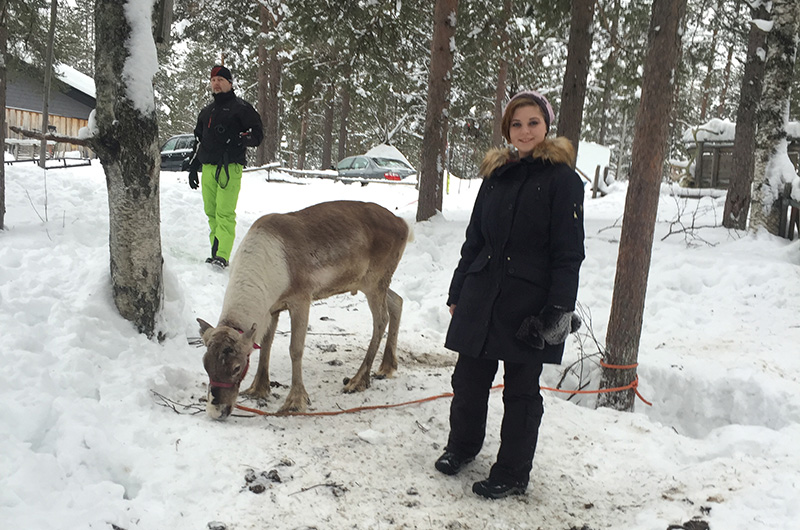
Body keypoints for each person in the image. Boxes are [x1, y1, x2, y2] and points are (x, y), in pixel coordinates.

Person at [435, 90, 585, 499]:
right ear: (507, 130)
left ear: (546, 127)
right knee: (468, 379)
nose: (524, 131)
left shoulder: (563, 181)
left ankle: (513, 471)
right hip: (484, 293)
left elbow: (569, 253)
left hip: (529, 303)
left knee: (521, 391)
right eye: (516, 124)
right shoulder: (495, 177)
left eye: (532, 123)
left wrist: (558, 310)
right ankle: (462, 446)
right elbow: (475, 240)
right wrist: (458, 290)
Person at [188, 65, 264, 269]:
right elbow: (200, 140)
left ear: (230, 83)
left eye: (221, 80)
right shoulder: (206, 112)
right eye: (213, 80)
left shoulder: (242, 108)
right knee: (211, 212)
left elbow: (257, 135)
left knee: (224, 213)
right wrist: (194, 165)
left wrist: (239, 139)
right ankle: (215, 251)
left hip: (229, 167)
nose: (216, 83)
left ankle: (222, 255)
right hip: (209, 168)